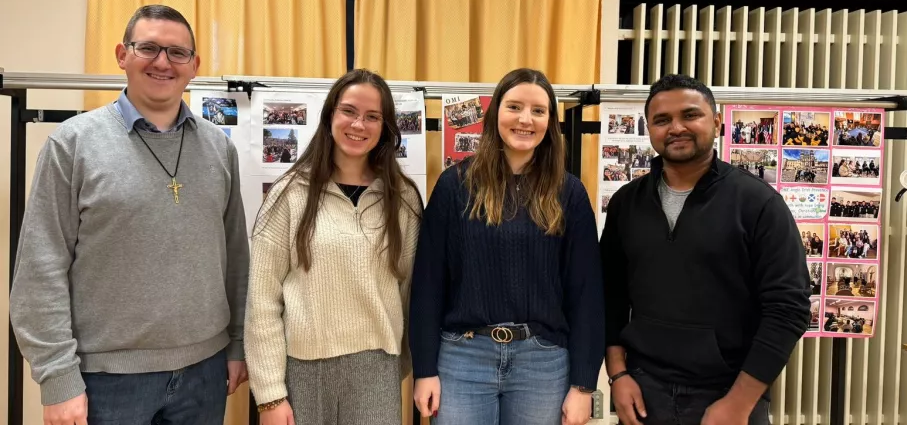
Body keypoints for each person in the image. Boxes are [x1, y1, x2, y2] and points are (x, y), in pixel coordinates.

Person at [10, 4, 250, 425]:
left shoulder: (218, 147)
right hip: (105, 380)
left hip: (205, 373)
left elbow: (235, 257)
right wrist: (57, 377)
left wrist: (237, 344)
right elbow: (40, 268)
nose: (163, 62)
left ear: (194, 66)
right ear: (123, 55)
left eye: (177, 53)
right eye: (148, 48)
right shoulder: (72, 144)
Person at [600, 74, 811, 425]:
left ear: (716, 122)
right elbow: (612, 295)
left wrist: (739, 404)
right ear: (649, 129)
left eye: (690, 115)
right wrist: (618, 374)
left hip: (728, 392)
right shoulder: (627, 203)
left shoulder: (757, 203)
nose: (676, 128)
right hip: (643, 390)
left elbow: (788, 309)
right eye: (662, 120)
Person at [409, 68, 605, 425]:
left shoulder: (569, 193)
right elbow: (428, 283)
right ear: (495, 112)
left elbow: (586, 293)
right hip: (463, 358)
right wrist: (424, 369)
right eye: (514, 107)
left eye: (538, 111)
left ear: (550, 121)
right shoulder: (455, 186)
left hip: (542, 362)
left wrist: (583, 385)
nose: (525, 119)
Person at [244, 69, 423, 425]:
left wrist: (397, 367)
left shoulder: (402, 198)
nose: (359, 124)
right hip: (302, 371)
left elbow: (409, 293)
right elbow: (262, 300)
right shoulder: (290, 194)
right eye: (349, 111)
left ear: (385, 127)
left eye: (372, 116)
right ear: (329, 115)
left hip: (377, 372)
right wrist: (269, 396)